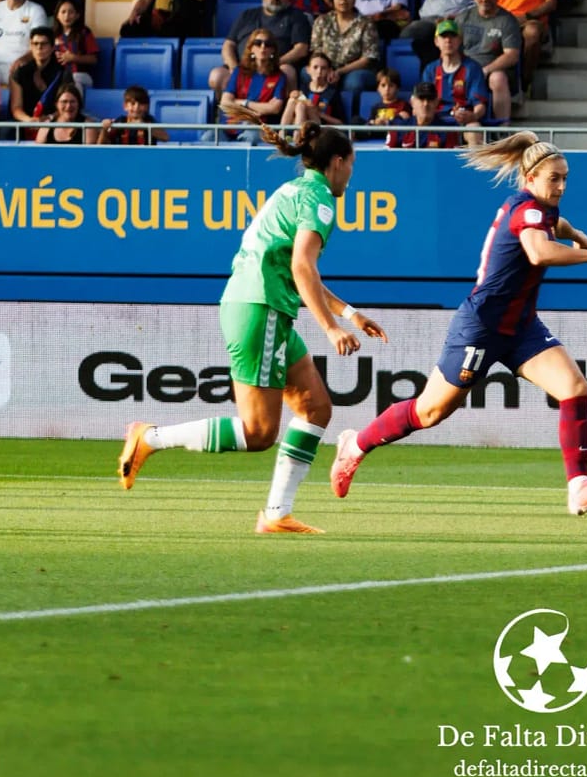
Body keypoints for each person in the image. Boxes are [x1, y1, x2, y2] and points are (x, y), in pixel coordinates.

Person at [329, 132, 587, 517]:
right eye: (553, 178)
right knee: (429, 413)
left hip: (521, 328)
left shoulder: (542, 210)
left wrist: (573, 234)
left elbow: (555, 226)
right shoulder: (526, 209)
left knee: (574, 388)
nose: (561, 186)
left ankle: (579, 487)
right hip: (482, 328)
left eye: (565, 178)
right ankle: (355, 444)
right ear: (529, 179)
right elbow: (539, 252)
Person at [120, 121, 389, 537]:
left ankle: (276, 515)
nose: (352, 174)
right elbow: (302, 266)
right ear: (338, 162)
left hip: (261, 306)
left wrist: (350, 313)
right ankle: (149, 438)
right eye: (352, 164)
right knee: (258, 431)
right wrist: (331, 328)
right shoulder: (319, 200)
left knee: (316, 407)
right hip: (260, 308)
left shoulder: (295, 190)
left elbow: (300, 270)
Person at [454, 0, 523, 121]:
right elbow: (453, 48)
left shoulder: (507, 20)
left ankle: (502, 130)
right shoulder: (462, 18)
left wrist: (485, 70)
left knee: (497, 78)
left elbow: (512, 55)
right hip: (466, 69)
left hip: (493, 71)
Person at [308, 0, 380, 95]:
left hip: (354, 70)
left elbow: (367, 59)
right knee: (305, 73)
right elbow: (316, 51)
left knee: (354, 82)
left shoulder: (366, 23)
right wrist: (325, 70)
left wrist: (339, 72)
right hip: (325, 68)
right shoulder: (322, 21)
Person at [422, 19, 490, 134]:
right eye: (443, 36)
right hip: (436, 120)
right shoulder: (430, 70)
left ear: (459, 40)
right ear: (436, 41)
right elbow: (424, 102)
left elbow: (480, 105)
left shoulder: (472, 68)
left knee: (475, 129)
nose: (448, 40)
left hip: (465, 121)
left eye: (453, 36)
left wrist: (473, 116)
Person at [9, 25, 66, 125]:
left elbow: (66, 106)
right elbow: (16, 108)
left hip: (54, 122)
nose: (39, 47)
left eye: (44, 43)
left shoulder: (63, 73)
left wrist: (49, 118)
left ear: (52, 47)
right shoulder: (20, 73)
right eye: (35, 44)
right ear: (31, 46)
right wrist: (29, 120)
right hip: (26, 122)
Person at [387, 79, 464, 147]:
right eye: (421, 99)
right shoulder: (398, 129)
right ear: (412, 102)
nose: (426, 104)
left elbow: (451, 160)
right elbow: (387, 158)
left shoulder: (448, 131)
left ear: (437, 102)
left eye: (430, 99)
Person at [282, 50, 345, 128]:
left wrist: (320, 114)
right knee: (293, 101)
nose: (319, 71)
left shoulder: (332, 93)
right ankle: (282, 133)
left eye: (323, 68)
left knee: (303, 106)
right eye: (315, 67)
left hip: (321, 129)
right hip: (302, 124)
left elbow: (340, 123)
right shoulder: (303, 89)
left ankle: (297, 137)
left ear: (329, 71)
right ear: (308, 70)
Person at [49, 0, 96, 93]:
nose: (67, 16)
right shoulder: (51, 35)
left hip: (80, 75)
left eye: (71, 12)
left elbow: (93, 59)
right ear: (57, 15)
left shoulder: (84, 32)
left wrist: (74, 58)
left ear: (77, 15)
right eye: (63, 12)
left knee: (73, 81)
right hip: (58, 76)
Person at [98, 85, 168, 144]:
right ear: (125, 106)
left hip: (144, 158)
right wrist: (104, 129)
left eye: (141, 104)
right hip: (122, 157)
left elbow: (165, 137)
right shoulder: (120, 121)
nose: (136, 107)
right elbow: (100, 145)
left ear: (147, 107)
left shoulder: (149, 120)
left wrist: (145, 126)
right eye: (133, 103)